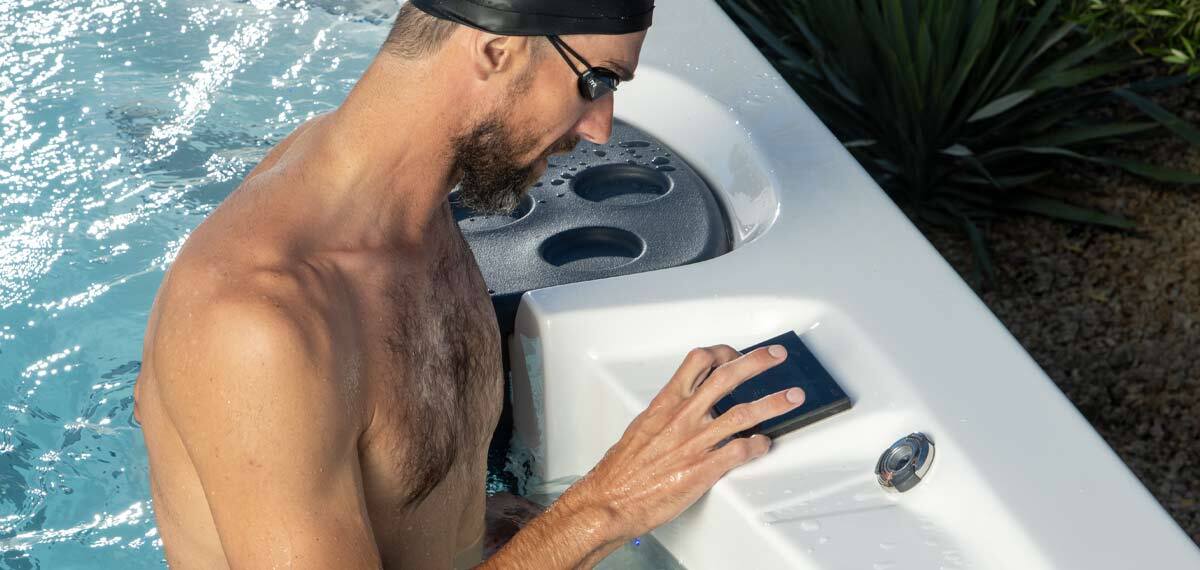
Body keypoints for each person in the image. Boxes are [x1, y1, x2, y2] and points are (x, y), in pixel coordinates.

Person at [132, 1, 807, 567]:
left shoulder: (407, 207)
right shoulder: (259, 326)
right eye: (596, 82)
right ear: (494, 50)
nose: (602, 130)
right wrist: (605, 506)